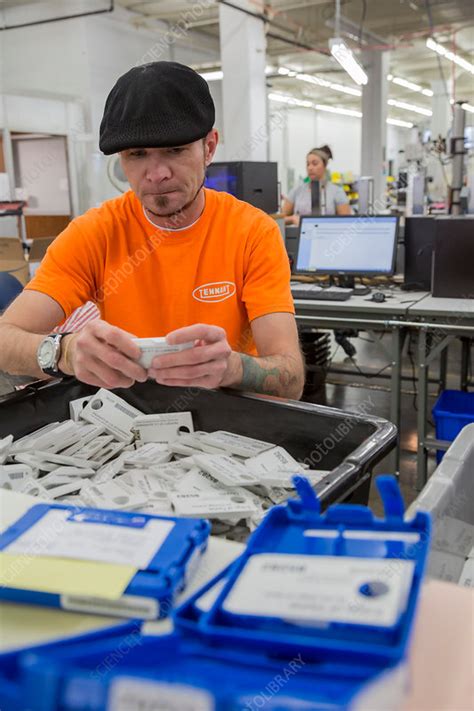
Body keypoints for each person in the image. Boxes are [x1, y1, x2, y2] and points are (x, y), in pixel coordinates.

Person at [0, 62, 304, 400]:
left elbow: (291, 378)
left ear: (209, 147)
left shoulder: (252, 232)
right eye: (137, 154)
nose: (156, 173)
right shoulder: (94, 233)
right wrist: (64, 353)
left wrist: (234, 368)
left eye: (175, 149)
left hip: (227, 419)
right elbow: (4, 339)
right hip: (128, 421)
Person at [282, 145, 352, 224]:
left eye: (314, 164)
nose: (310, 168)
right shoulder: (297, 190)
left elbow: (346, 223)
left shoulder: (337, 192)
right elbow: (280, 219)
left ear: (325, 166)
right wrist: (292, 219)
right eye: (308, 164)